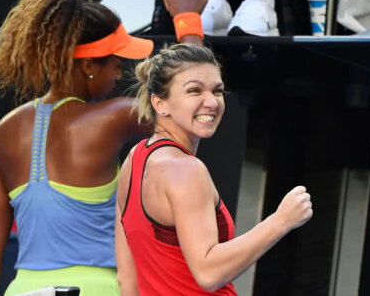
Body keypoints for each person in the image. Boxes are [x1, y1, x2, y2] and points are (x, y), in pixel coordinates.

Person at [0, 0, 210, 295]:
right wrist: (187, 21)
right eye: (114, 62)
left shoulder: (4, 132)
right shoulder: (110, 118)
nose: (118, 72)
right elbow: (187, 106)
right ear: (88, 66)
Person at [115, 47, 313, 294]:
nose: (211, 102)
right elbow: (209, 273)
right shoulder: (186, 170)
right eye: (194, 90)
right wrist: (281, 221)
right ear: (159, 103)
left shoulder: (136, 159)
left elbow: (127, 278)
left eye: (217, 91)